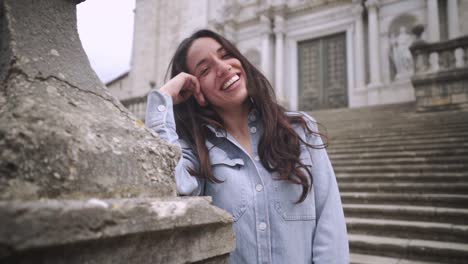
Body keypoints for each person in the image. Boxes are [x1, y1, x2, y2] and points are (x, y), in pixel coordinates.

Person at [146, 29, 348, 264]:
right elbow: (166, 181)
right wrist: (164, 99)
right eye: (204, 69)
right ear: (194, 90)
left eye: (225, 55)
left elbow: (329, 223)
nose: (223, 68)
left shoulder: (300, 131)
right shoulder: (197, 152)